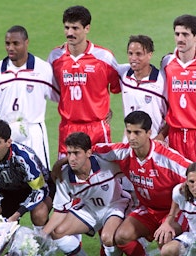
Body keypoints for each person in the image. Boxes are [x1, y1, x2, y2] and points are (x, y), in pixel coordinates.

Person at [93, 111, 192, 256]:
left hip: (173, 212)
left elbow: (192, 172)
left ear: (149, 133)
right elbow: (92, 150)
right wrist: (62, 163)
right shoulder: (124, 152)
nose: (131, 137)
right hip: (148, 209)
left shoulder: (166, 158)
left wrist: (169, 220)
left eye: (137, 132)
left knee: (165, 240)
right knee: (122, 236)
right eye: (129, 132)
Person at [48, 5, 120, 160]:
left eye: (75, 28)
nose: (69, 33)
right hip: (68, 127)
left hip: (97, 128)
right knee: (67, 177)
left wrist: (103, 107)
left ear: (87, 28)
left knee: (105, 176)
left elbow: (118, 86)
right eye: (66, 27)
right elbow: (54, 92)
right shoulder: (55, 57)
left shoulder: (104, 57)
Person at [0, 25, 59, 171]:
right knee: (7, 177)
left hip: (34, 132)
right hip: (5, 135)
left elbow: (63, 97)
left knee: (40, 176)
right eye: (7, 43)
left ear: (26, 43)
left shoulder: (42, 69)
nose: (10, 48)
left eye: (15, 43)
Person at [43, 132, 132, 256]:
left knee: (107, 237)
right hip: (90, 209)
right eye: (69, 153)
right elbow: (60, 210)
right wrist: (42, 235)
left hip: (115, 205)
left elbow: (130, 158)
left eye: (76, 153)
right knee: (57, 232)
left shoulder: (105, 162)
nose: (72, 158)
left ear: (88, 153)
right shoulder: (64, 178)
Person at [0, 119, 52, 233]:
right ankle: (5, 245)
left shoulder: (24, 157)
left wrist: (18, 213)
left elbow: (40, 189)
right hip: (7, 191)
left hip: (36, 188)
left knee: (39, 212)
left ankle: (41, 243)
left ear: (8, 142)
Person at [117, 35, 169, 209]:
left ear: (150, 55)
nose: (133, 58)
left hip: (154, 145)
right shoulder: (124, 74)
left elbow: (173, 114)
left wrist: (161, 136)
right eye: (130, 53)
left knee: (155, 193)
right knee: (130, 191)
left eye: (139, 54)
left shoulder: (162, 82)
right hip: (129, 144)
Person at [161, 14, 196, 161]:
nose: (180, 39)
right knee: (176, 181)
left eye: (185, 34)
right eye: (177, 34)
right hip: (174, 135)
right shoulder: (167, 62)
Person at [155, 162, 196, 256]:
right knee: (167, 250)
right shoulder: (180, 193)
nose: (195, 187)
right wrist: (167, 224)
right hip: (193, 236)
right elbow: (172, 212)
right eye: (192, 182)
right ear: (186, 182)